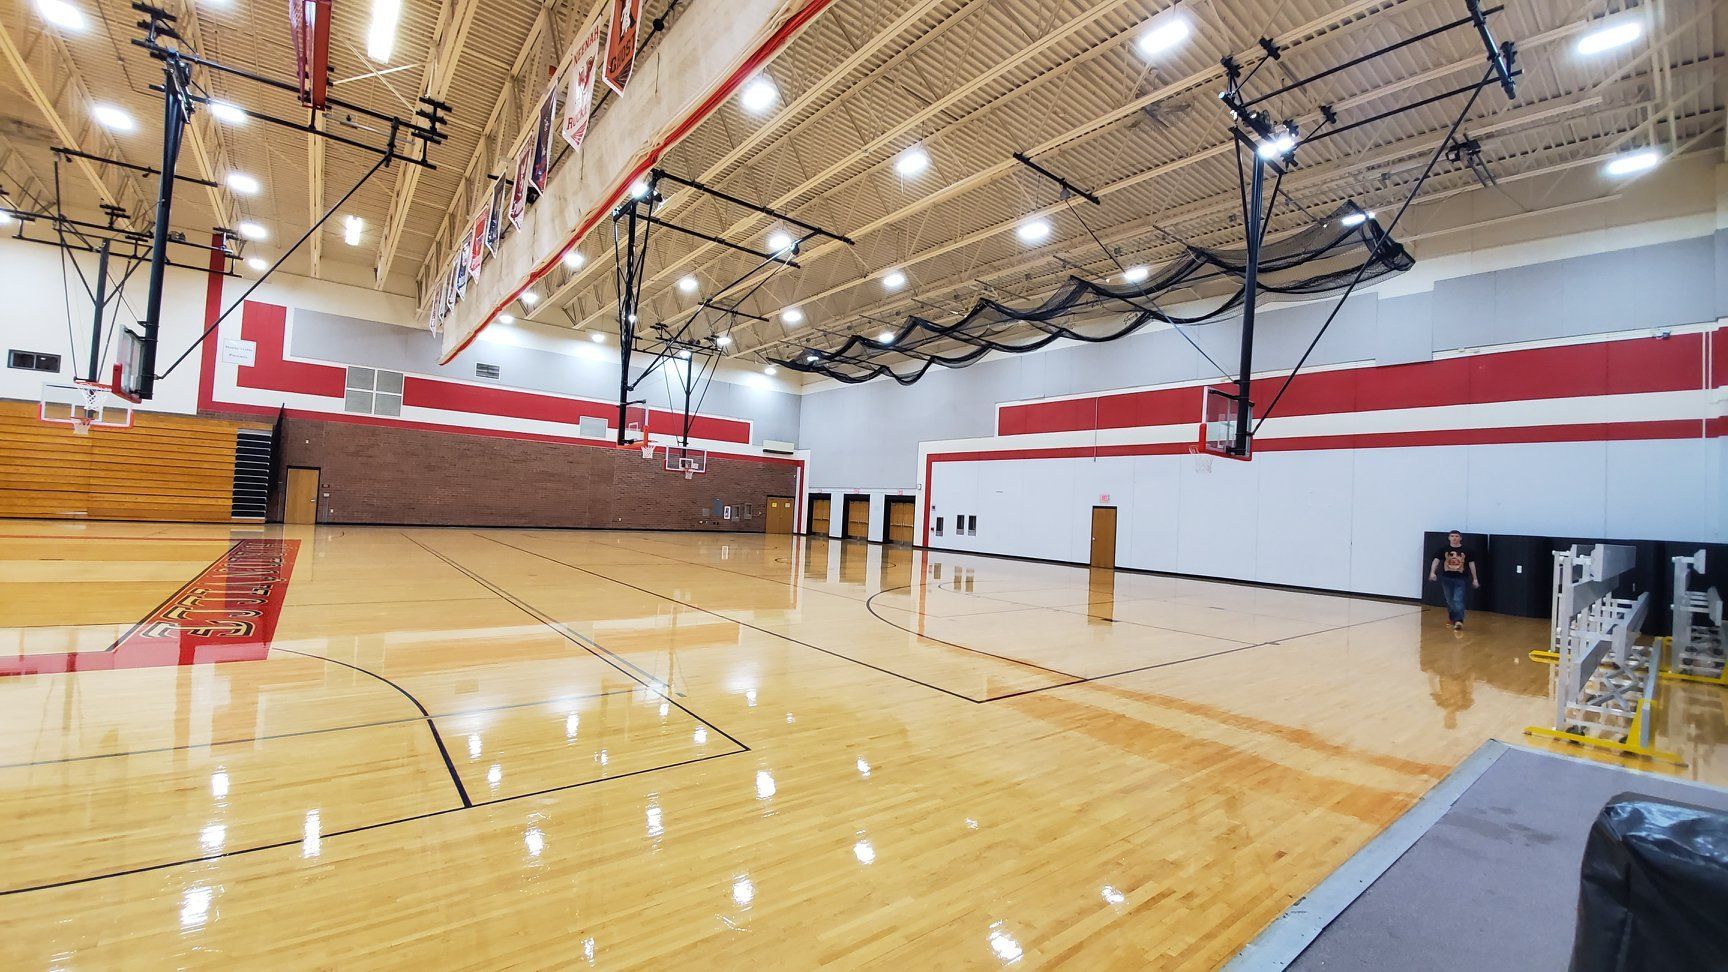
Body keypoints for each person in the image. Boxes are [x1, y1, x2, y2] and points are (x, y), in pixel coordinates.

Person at [1429, 530, 1480, 630]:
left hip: (1461, 579)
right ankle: (1452, 618)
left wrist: (1475, 579)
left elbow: (1471, 564)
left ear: (1460, 538)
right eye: (1452, 536)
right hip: (1446, 578)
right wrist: (1432, 572)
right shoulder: (1443, 549)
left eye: (1456, 536)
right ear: (1449, 538)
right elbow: (1436, 560)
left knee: (1458, 600)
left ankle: (1459, 621)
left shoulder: (1467, 550)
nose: (1454, 538)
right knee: (1450, 601)